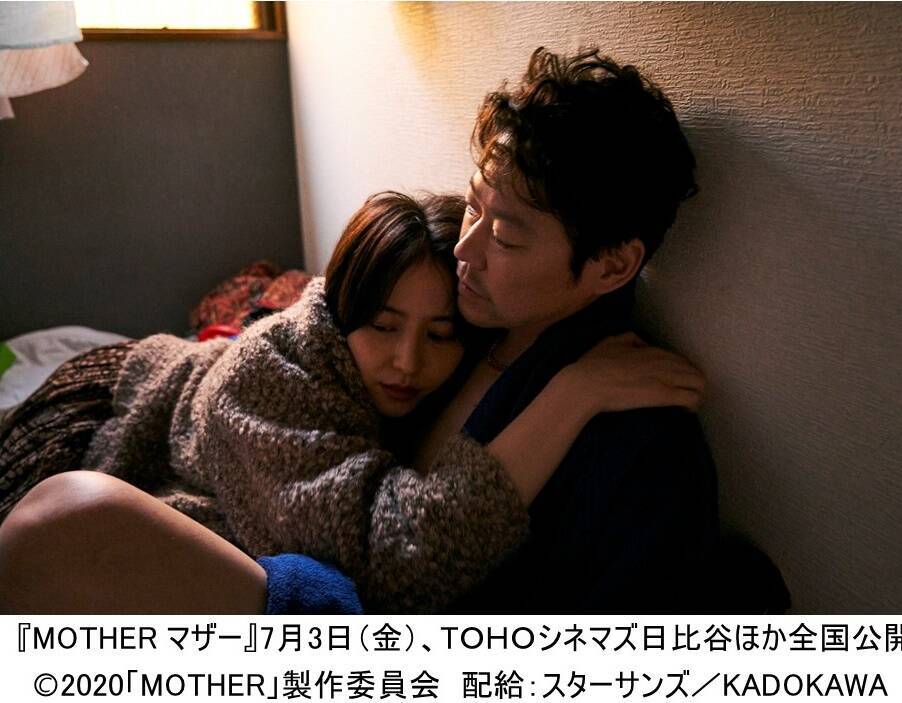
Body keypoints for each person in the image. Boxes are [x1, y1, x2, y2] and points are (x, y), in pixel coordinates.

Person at [0, 190, 703, 614]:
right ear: (342, 313)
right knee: (71, 517)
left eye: (439, 334)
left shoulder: (483, 358)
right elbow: (394, 553)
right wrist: (575, 393)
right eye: (383, 326)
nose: (408, 362)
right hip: (102, 406)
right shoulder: (275, 373)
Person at [413, 46, 721, 613]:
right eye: (474, 207)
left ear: (612, 266)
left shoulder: (644, 448)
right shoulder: (445, 310)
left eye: (505, 238)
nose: (465, 250)